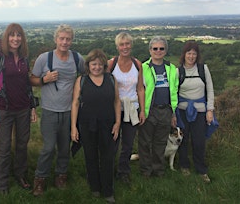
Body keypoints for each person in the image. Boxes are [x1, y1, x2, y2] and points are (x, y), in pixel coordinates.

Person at [30, 24, 85, 196]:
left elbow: (85, 77)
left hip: (70, 111)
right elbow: (32, 79)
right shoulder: (44, 59)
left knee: (64, 147)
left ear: (72, 40)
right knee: (48, 148)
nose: (64, 42)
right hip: (49, 110)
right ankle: (40, 179)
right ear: (56, 39)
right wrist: (44, 79)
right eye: (61, 38)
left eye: (68, 39)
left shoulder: (77, 59)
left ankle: (61, 176)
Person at [0, 23, 38, 194]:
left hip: (23, 108)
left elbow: (27, 85)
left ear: (22, 38)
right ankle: (2, 184)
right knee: (5, 148)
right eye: (12, 35)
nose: (15, 38)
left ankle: (21, 175)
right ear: (6, 37)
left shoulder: (23, 58)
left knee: (22, 144)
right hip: (4, 108)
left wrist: (32, 107)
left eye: (19, 35)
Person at [71, 49, 121, 203]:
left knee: (107, 157)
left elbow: (117, 101)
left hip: (108, 124)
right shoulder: (81, 80)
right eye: (93, 64)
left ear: (104, 65)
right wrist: (74, 127)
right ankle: (94, 187)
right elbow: (75, 103)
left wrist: (118, 123)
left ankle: (108, 190)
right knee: (90, 156)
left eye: (100, 64)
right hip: (87, 124)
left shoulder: (111, 79)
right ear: (88, 65)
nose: (97, 67)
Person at [107, 32, 145, 185]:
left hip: (132, 109)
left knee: (128, 143)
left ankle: (123, 171)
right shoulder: (111, 64)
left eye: (127, 44)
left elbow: (140, 88)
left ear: (131, 45)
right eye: (122, 44)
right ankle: (109, 170)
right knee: (112, 141)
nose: (125, 47)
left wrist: (142, 110)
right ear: (117, 47)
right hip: (113, 109)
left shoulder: (137, 64)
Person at [139, 36, 178, 178]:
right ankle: (145, 171)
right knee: (145, 142)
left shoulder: (172, 68)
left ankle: (158, 171)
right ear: (150, 50)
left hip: (166, 110)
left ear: (165, 50)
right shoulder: (142, 68)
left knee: (160, 143)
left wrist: (173, 113)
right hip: (150, 110)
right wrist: (142, 110)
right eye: (155, 48)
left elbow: (174, 91)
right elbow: (139, 89)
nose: (158, 51)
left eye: (161, 48)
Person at [177, 41, 215, 183]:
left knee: (199, 141)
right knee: (183, 139)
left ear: (197, 55)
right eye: (189, 53)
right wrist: (174, 114)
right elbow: (174, 94)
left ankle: (201, 170)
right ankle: (184, 165)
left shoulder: (203, 69)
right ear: (184, 54)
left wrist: (210, 110)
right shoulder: (178, 71)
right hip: (182, 111)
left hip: (200, 111)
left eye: (194, 53)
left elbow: (210, 90)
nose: (191, 56)